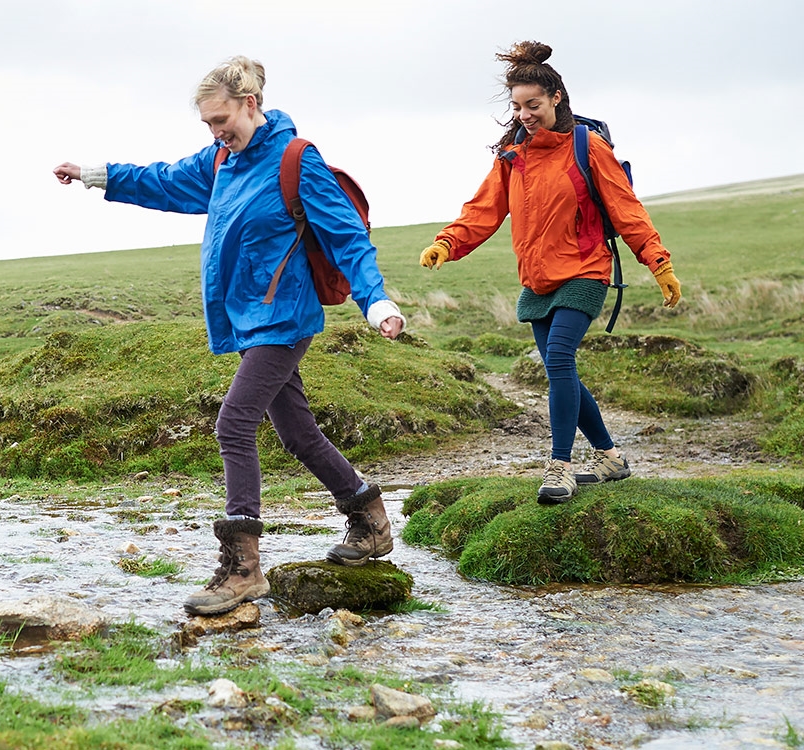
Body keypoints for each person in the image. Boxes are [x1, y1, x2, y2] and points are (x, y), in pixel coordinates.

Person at [54, 56, 406, 616]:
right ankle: (369, 517)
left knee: (234, 422)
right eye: (207, 124)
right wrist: (97, 173)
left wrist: (376, 301)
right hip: (247, 320)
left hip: (284, 317)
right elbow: (164, 180)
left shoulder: (297, 160)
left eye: (223, 120)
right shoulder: (220, 161)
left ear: (251, 105)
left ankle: (244, 568)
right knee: (297, 434)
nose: (217, 132)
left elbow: (345, 236)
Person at [418, 41, 682, 504]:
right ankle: (610, 455)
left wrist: (658, 262)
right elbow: (483, 210)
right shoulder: (512, 155)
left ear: (556, 98)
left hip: (585, 270)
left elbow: (626, 210)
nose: (524, 114)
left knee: (559, 358)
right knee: (561, 370)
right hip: (538, 279)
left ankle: (559, 466)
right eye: (517, 106)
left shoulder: (588, 147)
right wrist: (447, 242)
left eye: (533, 105)